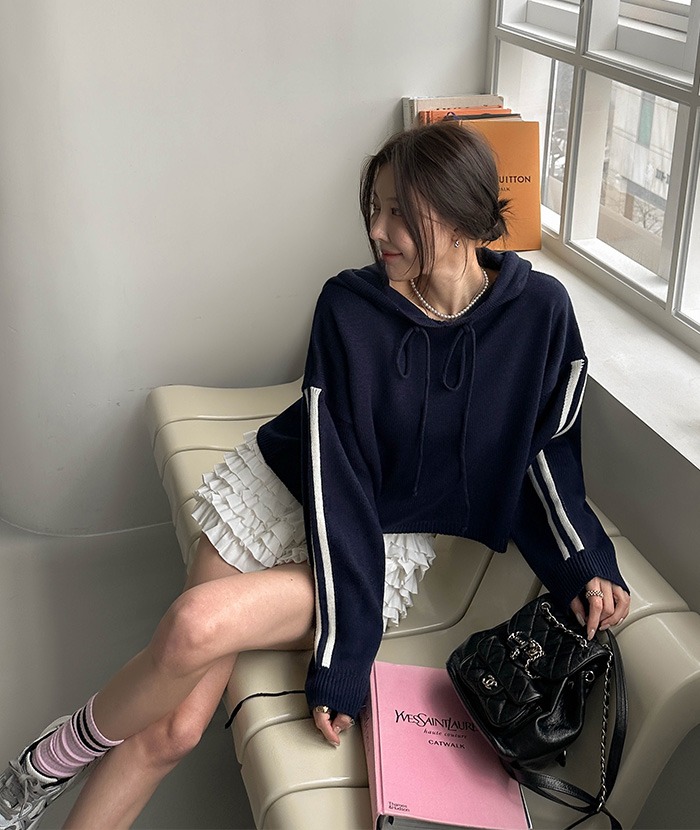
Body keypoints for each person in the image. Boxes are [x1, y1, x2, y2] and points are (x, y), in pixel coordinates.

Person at [0, 121, 630, 830]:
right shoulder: (349, 307)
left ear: (459, 215)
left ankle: (45, 761)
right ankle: (39, 775)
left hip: (378, 541)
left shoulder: (540, 313)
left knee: (193, 626)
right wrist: (344, 655)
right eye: (374, 208)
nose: (377, 230)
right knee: (173, 729)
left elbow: (547, 449)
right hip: (281, 490)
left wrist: (583, 561)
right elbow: (337, 472)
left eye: (399, 211)